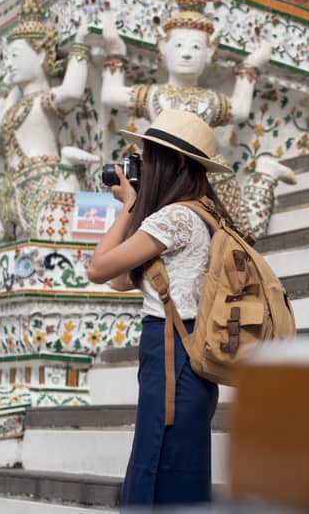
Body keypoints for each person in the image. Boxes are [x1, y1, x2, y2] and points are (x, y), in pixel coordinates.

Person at [86, 109, 233, 507]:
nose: (145, 168)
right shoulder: (201, 212)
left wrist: (129, 207)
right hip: (180, 353)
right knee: (176, 468)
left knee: (160, 468)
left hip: (172, 351)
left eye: (151, 158)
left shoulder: (175, 217)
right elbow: (121, 279)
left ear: (176, 163)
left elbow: (98, 269)